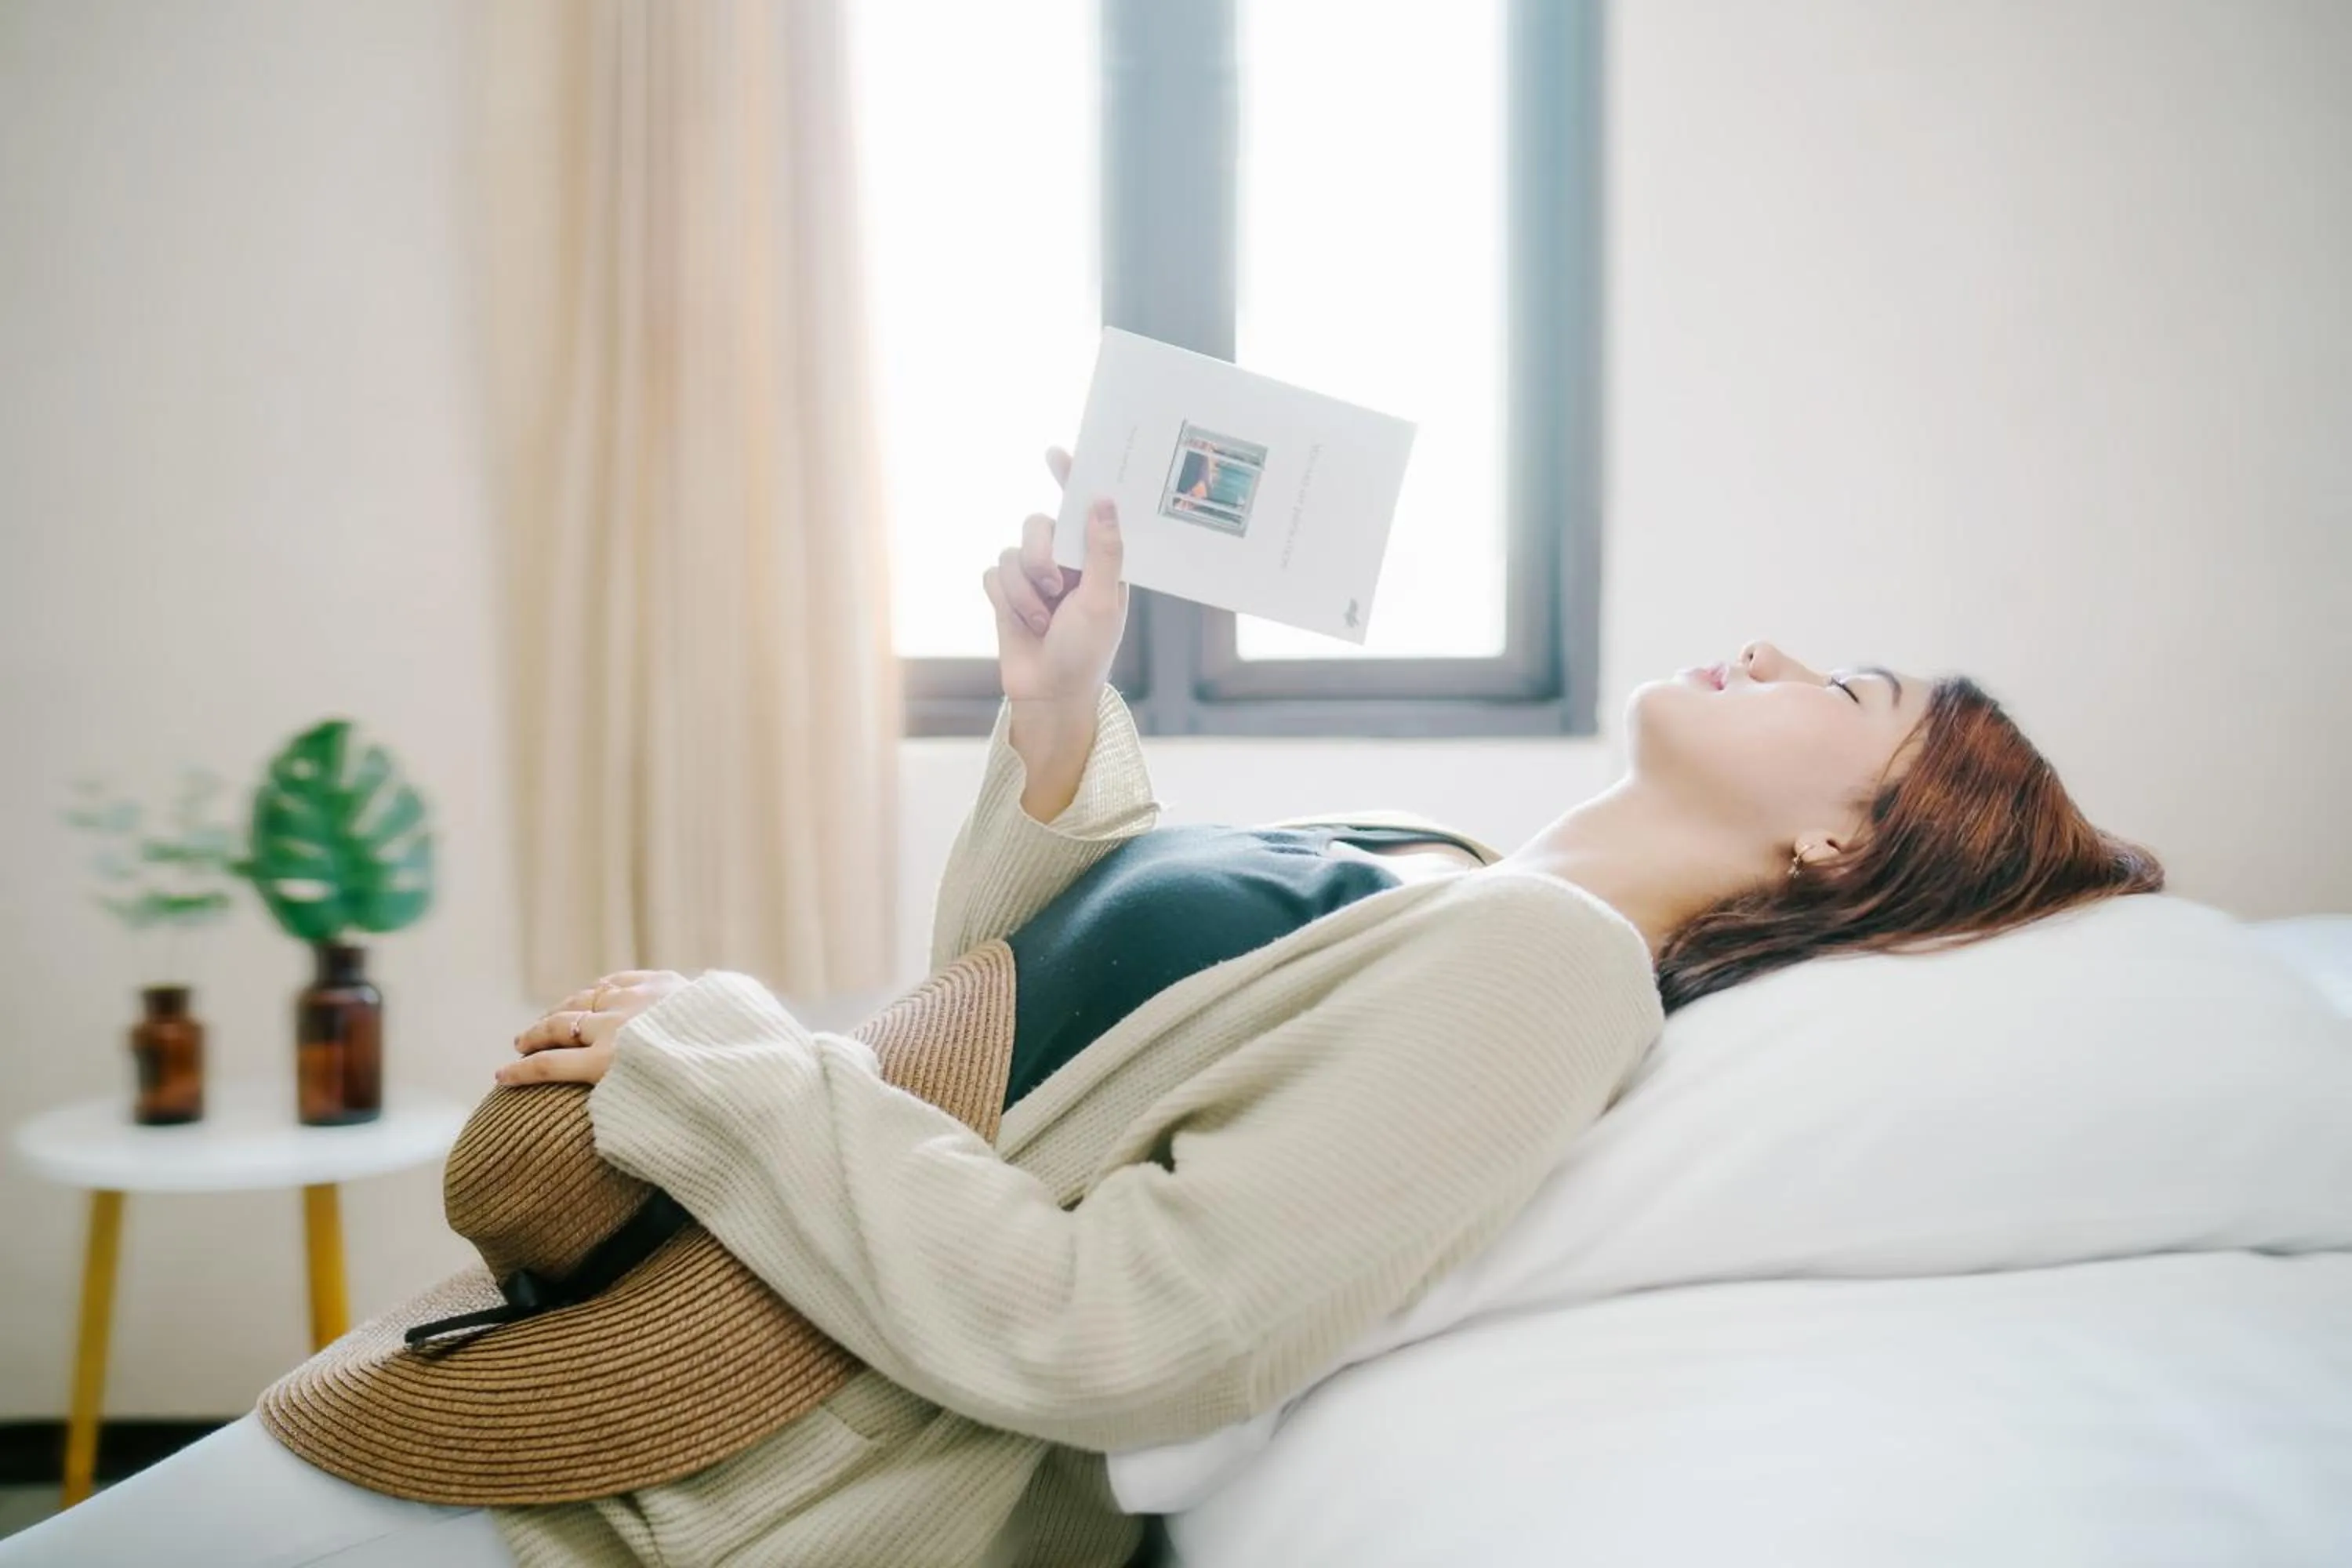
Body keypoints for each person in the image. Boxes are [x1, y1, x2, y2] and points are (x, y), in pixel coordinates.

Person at [0, 450, 2161, 1567]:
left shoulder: (1555, 974)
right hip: (629, 1352)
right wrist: (1058, 718)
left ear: (1841, 849)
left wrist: (717, 1047)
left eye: (1845, 694)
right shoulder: (1445, 869)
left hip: (702, 1486)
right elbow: (1015, 1014)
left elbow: (1132, 1334)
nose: (1777, 645)